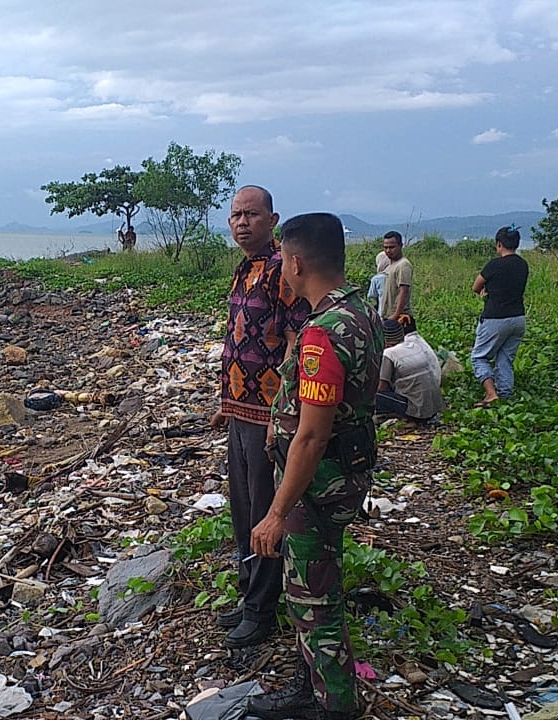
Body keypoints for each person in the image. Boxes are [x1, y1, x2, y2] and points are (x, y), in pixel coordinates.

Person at [247, 212, 383, 720]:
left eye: (283, 258)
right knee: (313, 584)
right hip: (342, 471)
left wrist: (277, 512)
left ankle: (334, 707)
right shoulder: (360, 311)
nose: (281, 266)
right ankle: (311, 686)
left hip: (318, 484)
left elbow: (311, 433)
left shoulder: (324, 333)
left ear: (296, 261)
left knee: (315, 599)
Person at [208, 185, 310, 649]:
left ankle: (262, 611)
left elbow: (294, 343)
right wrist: (224, 403)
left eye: (251, 214)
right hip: (238, 412)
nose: (241, 222)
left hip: (267, 416)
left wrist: (280, 410)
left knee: (266, 512)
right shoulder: (243, 269)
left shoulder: (279, 271)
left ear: (273, 219)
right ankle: (251, 594)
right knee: (242, 511)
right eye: (235, 215)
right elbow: (240, 341)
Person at [471, 225, 529, 406]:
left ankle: (490, 394)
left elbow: (475, 287)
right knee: (505, 358)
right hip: (518, 318)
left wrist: (486, 290)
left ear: (499, 244)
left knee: (479, 357)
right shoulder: (522, 264)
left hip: (495, 318)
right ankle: (505, 395)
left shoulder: (494, 265)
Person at [376, 318, 445, 423]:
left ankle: (401, 416)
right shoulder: (415, 345)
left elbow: (382, 387)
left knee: (374, 395)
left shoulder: (389, 353)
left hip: (416, 410)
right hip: (434, 407)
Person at [379, 230, 413, 322]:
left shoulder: (403, 265)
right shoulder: (391, 265)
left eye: (392, 247)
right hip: (389, 316)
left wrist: (395, 315)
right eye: (385, 248)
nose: (388, 251)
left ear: (400, 246)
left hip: (400, 318)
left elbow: (403, 291)